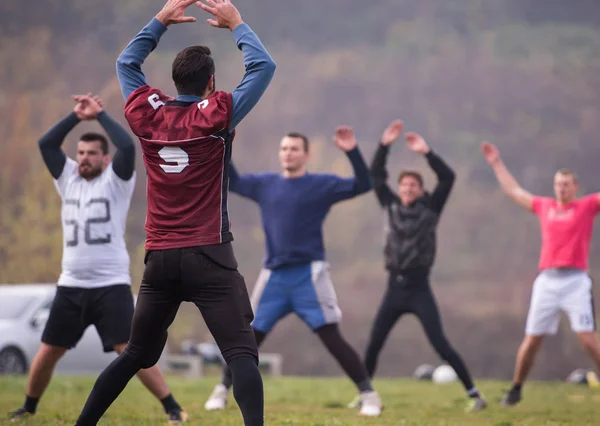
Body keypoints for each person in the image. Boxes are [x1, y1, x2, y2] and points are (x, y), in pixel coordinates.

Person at [73, 0, 275, 426]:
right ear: (210, 85)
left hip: (160, 258)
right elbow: (264, 67)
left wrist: (160, 20)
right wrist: (237, 23)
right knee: (241, 355)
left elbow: (126, 64)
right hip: (209, 253)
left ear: (174, 80)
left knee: (136, 356)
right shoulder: (218, 113)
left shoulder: (148, 113)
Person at [8, 94, 186, 424]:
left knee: (130, 350)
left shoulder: (116, 181)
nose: (85, 158)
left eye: (92, 153)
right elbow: (47, 143)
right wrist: (77, 116)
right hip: (72, 284)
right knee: (49, 350)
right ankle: (29, 407)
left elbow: (128, 148)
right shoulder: (68, 180)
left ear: (105, 159)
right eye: (81, 153)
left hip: (111, 284)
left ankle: (173, 407)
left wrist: (100, 115)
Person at [203, 127, 383, 417]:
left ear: (306, 155)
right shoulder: (266, 184)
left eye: (294, 149)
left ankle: (369, 395)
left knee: (331, 337)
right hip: (274, 276)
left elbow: (363, 184)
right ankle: (222, 390)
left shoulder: (321, 185)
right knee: (246, 337)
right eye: (284, 148)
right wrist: (226, 141)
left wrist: (351, 151)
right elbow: (232, 181)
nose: (288, 153)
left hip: (308, 276)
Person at [362, 120, 486, 412]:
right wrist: (383, 146)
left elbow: (448, 178)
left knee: (440, 343)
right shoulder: (390, 205)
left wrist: (426, 153)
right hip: (393, 286)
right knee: (374, 341)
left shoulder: (431, 208)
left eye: (412, 185)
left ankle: (473, 392)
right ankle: (365, 393)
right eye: (403, 185)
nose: (406, 189)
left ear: (420, 190)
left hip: (419, 288)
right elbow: (376, 176)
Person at [481, 141, 600, 406]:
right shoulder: (544, 206)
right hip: (547, 281)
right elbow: (514, 191)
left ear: (575, 188)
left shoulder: (586, 207)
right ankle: (516, 388)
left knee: (588, 339)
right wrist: (496, 163)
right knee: (533, 339)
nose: (562, 188)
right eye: (558, 183)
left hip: (576, 281)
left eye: (567, 184)